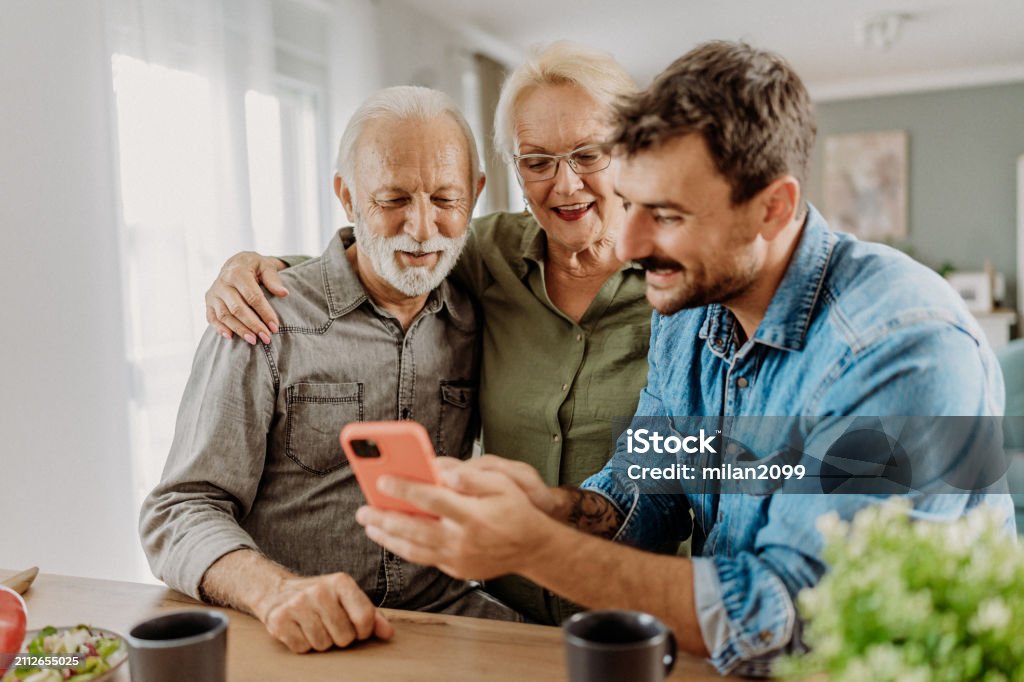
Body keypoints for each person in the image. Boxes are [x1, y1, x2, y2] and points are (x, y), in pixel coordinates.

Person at [351, 41, 1017, 676]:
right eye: (633, 204)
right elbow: (652, 481)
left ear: (771, 208)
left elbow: (792, 619)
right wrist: (550, 507)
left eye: (665, 215)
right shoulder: (695, 306)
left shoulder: (904, 349)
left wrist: (533, 547)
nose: (633, 244)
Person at [201, 42, 651, 624]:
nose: (564, 186)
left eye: (588, 155)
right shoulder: (489, 255)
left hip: (639, 612)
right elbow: (389, 261)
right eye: (537, 161)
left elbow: (757, 458)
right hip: (505, 620)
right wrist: (255, 267)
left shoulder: (688, 289)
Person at [139, 86, 521, 656]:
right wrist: (275, 593)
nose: (422, 227)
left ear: (476, 195)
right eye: (393, 199)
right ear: (347, 196)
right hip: (290, 625)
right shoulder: (262, 317)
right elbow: (179, 511)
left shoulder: (475, 318)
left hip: (440, 614)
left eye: (446, 198)